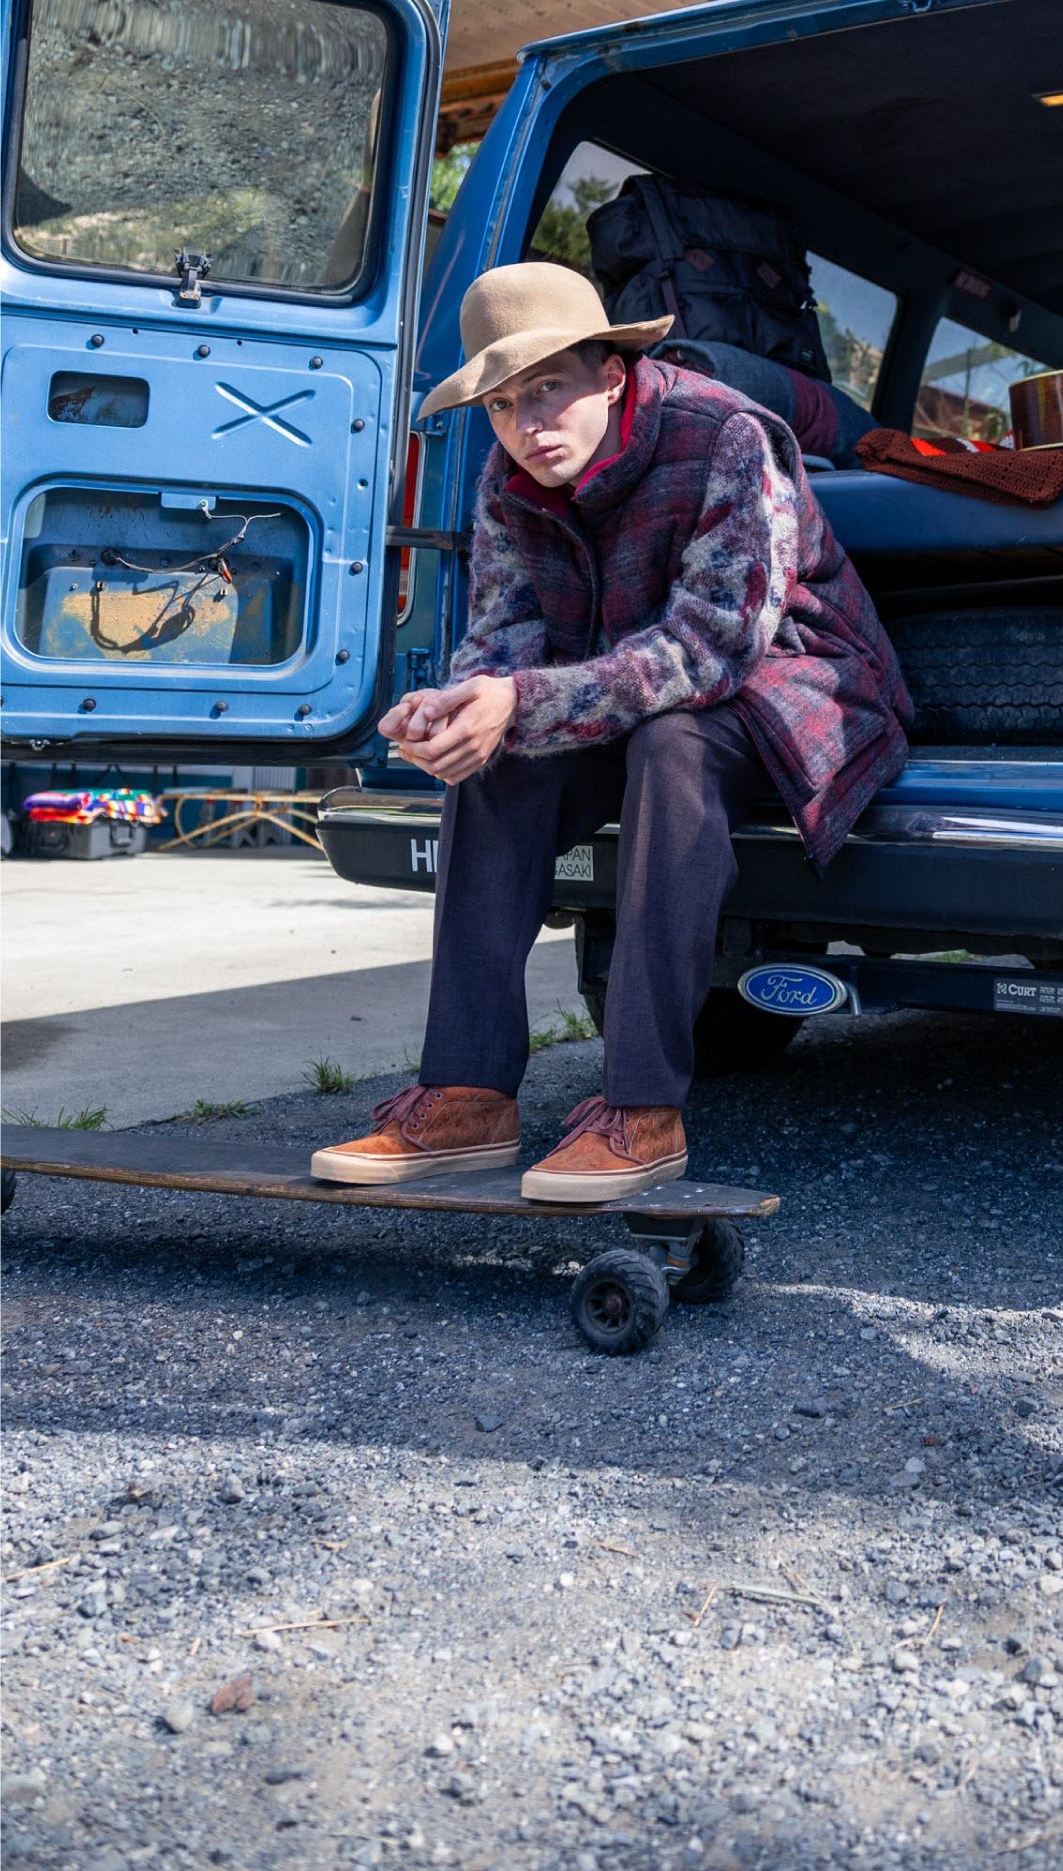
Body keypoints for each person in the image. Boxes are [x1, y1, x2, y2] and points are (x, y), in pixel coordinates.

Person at [311, 260, 911, 1201]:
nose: (527, 423)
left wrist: (522, 700)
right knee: (494, 756)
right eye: (503, 405)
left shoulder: (727, 436)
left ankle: (642, 1110)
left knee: (671, 741)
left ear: (612, 374)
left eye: (547, 388)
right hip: (630, 690)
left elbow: (712, 650)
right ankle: (469, 1091)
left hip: (795, 683)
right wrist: (459, 706)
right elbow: (503, 632)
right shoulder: (510, 478)